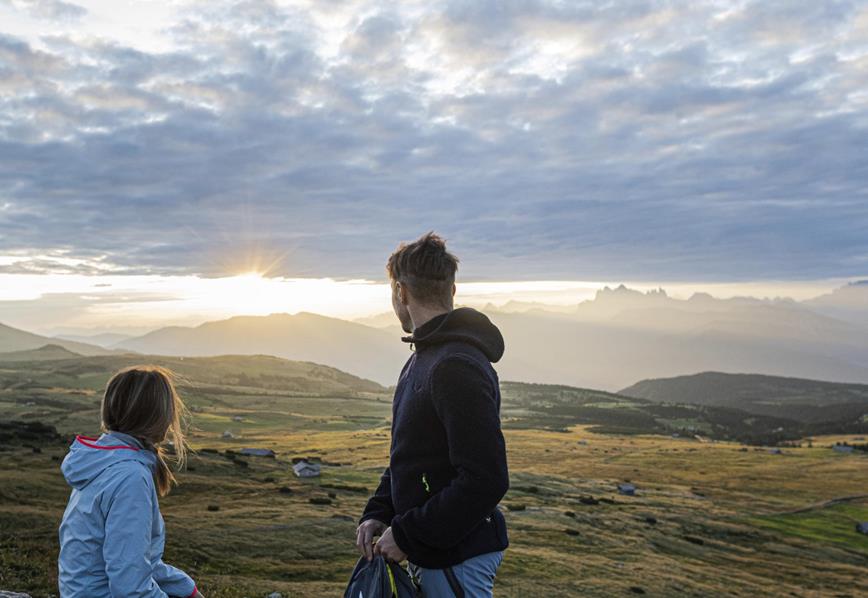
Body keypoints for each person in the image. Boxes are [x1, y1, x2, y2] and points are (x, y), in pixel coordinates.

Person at [356, 232, 510, 597]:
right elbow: (414, 456)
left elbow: (486, 479)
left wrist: (409, 534)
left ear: (401, 293)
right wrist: (379, 510)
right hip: (439, 551)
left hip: (456, 558)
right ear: (452, 291)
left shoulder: (454, 366)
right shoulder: (426, 359)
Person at [58, 365, 203, 598]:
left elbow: (142, 563)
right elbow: (130, 587)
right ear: (158, 416)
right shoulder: (130, 477)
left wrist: (186, 588)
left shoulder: (101, 460)